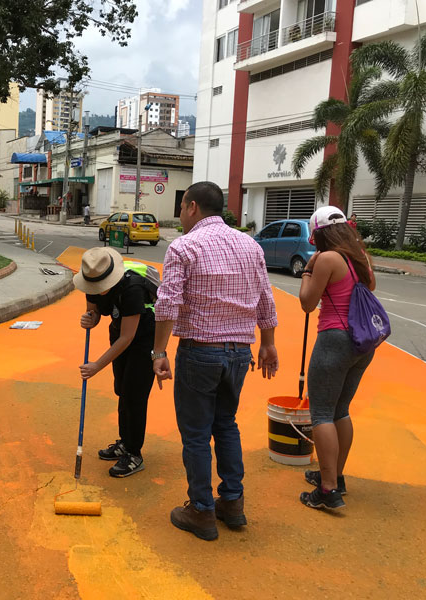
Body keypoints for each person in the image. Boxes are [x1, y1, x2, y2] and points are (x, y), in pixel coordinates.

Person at [152, 181, 279, 541]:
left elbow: (168, 303)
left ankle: (202, 510)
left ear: (192, 207)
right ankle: (233, 503)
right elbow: (264, 298)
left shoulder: (184, 246)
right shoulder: (250, 245)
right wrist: (268, 343)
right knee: (226, 424)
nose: (180, 215)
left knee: (195, 435)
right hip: (239, 352)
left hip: (199, 351)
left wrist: (159, 352)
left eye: (181, 207)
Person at [298, 206, 376, 510]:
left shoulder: (327, 259)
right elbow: (369, 289)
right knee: (341, 410)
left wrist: (307, 271)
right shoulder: (361, 258)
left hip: (334, 339)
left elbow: (307, 302)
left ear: (318, 234)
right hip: (362, 342)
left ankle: (327, 489)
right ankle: (336, 476)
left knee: (321, 414)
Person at [74, 247, 156, 478]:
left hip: (144, 336)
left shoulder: (132, 288)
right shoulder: (91, 280)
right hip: (119, 330)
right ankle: (124, 442)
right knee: (122, 389)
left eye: (100, 287)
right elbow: (96, 313)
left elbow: (128, 337)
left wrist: (96, 365)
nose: (95, 291)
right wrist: (90, 319)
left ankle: (134, 453)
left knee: (135, 394)